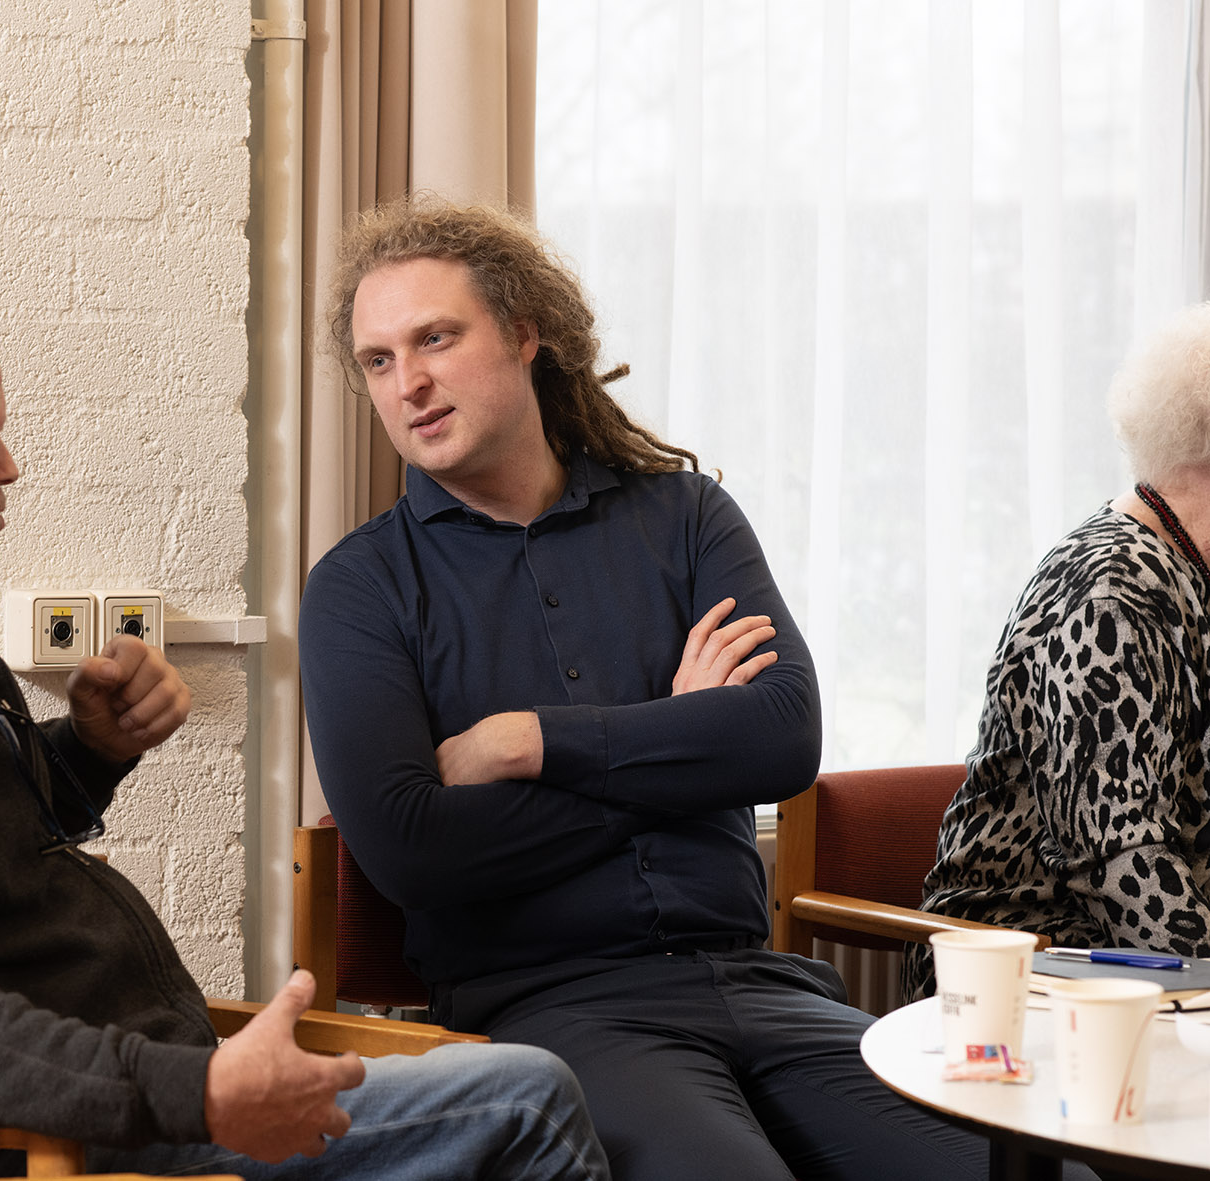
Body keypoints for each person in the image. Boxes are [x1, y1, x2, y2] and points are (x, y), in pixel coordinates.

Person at [0, 286, 610, 1181]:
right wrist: (197, 1090)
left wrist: (92, 749)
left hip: (101, 1106)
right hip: (17, 1151)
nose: (9, 467)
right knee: (527, 1097)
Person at [297, 199, 998, 1180]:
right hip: (550, 1012)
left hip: (765, 986)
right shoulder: (358, 587)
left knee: (1033, 1167)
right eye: (377, 359)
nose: (406, 381)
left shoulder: (684, 515)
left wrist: (531, 742)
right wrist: (677, 743)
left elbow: (783, 738)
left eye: (435, 338)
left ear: (523, 333)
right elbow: (416, 850)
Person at [909, 302, 1210, 998]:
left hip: (1136, 974)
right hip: (1019, 969)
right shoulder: (1111, 595)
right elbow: (1116, 860)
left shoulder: (1187, 570)